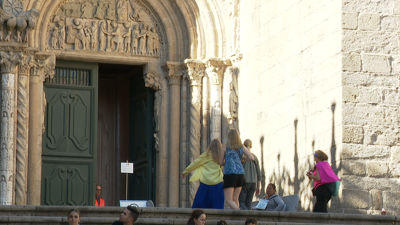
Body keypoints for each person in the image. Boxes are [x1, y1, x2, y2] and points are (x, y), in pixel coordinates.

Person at [182, 139, 224, 209]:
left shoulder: (206, 155)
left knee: (200, 204)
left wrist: (186, 171)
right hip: (218, 183)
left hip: (206, 182)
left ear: (210, 146)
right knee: (217, 205)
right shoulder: (221, 157)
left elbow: (195, 163)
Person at [219, 128, 254, 210]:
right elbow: (251, 158)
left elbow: (220, 162)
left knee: (228, 199)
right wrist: (242, 159)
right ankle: (237, 217)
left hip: (230, 174)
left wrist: (227, 163)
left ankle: (238, 211)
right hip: (241, 174)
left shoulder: (225, 147)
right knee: (235, 199)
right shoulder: (242, 147)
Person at [239, 139, 262, 210]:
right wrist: (258, 186)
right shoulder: (254, 157)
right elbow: (259, 173)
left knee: (241, 201)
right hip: (253, 183)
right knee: (248, 202)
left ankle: (245, 215)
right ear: (251, 146)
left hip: (245, 182)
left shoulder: (242, 157)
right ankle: (249, 217)